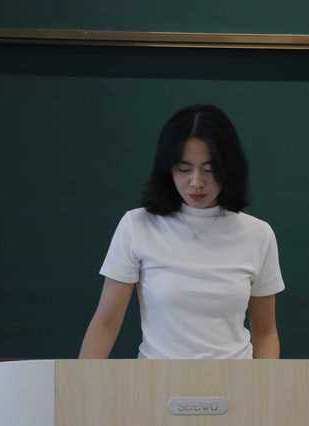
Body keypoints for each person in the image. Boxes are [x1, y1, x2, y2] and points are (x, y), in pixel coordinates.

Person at [78, 104, 285, 359]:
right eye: (184, 169)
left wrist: (267, 383)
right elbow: (106, 323)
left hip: (236, 378)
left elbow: (265, 333)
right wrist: (81, 383)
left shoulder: (258, 234)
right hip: (157, 378)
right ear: (168, 168)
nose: (196, 182)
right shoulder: (137, 225)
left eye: (209, 170)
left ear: (229, 167)